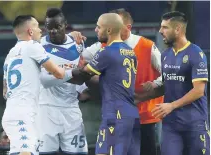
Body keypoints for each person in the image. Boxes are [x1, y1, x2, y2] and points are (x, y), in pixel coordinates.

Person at [72, 8, 163, 155]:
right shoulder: (129, 51)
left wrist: (56, 73)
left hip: (123, 113)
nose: (96, 30)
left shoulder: (109, 50)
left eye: (99, 27)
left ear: (111, 29)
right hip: (131, 112)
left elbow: (82, 74)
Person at [2, 15, 70, 155]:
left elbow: (5, 91)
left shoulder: (11, 54)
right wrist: (70, 69)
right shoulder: (33, 46)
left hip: (12, 112)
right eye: (37, 26)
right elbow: (58, 73)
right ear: (30, 32)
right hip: (24, 114)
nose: (41, 30)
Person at [152, 11, 210, 155]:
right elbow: (167, 86)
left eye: (165, 27)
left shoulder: (196, 54)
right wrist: (139, 97)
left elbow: (198, 91)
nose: (160, 31)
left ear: (177, 29)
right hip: (171, 125)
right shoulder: (165, 55)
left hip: (194, 123)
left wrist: (171, 105)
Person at [38, 8, 88, 155]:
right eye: (49, 27)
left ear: (65, 25)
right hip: (46, 109)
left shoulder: (78, 44)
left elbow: (82, 70)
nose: (53, 31)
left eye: (57, 27)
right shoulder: (39, 47)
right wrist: (71, 73)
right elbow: (44, 81)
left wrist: (82, 89)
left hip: (71, 109)